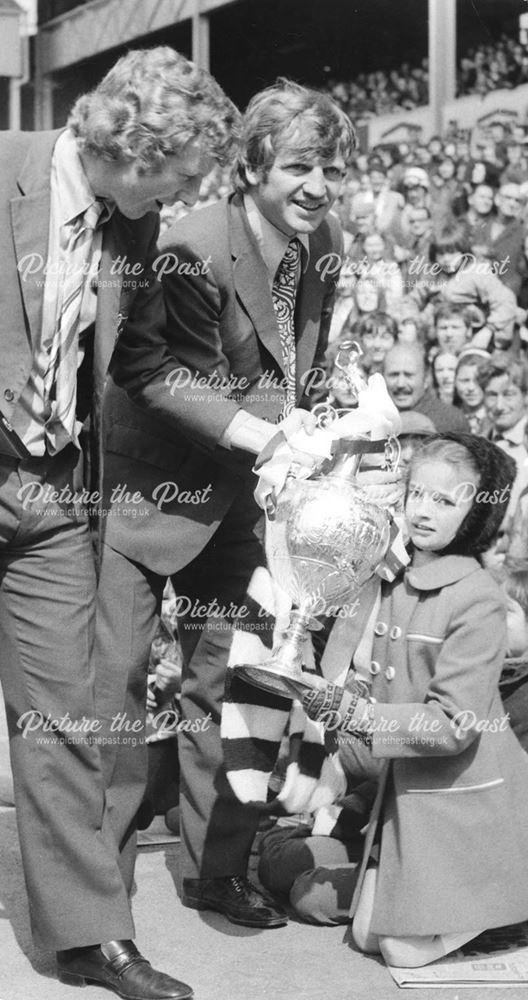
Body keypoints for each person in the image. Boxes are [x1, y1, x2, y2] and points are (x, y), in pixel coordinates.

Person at [0, 44, 240, 1000]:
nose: (190, 192)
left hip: (53, 495)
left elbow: (139, 365)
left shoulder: (134, 228)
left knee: (65, 719)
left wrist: (262, 432)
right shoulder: (6, 166)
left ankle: (92, 934)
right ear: (143, 146)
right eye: (186, 173)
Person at [94, 79, 355, 930]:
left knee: (232, 685)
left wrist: (330, 419)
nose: (319, 185)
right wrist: (276, 438)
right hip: (146, 498)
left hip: (247, 501)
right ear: (250, 166)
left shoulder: (325, 246)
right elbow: (155, 372)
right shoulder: (190, 243)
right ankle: (99, 896)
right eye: (300, 166)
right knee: (118, 688)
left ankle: (216, 873)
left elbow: (297, 371)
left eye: (331, 167)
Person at [259, 434, 528, 969]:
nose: (423, 511)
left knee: (400, 951)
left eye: (446, 501)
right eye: (417, 494)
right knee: (362, 935)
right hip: (401, 796)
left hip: (462, 807)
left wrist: (355, 714)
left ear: (477, 513)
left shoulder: (477, 596)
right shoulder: (398, 575)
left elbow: (454, 725)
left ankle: (505, 907)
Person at [382, 344, 469, 433]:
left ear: (426, 378)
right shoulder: (373, 417)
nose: (400, 384)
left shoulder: (451, 420)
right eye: (394, 375)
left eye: (408, 375)